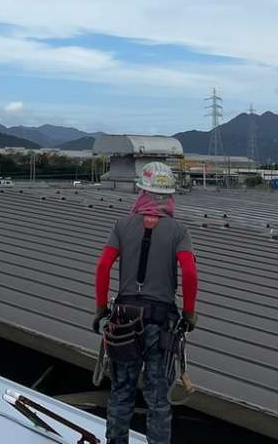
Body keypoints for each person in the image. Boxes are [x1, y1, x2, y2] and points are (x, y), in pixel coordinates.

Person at [92, 161, 199, 444]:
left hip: (124, 323)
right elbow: (189, 272)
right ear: (169, 195)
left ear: (142, 191)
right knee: (158, 398)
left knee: (121, 391)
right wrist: (189, 313)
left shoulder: (122, 225)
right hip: (161, 325)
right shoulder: (179, 231)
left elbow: (103, 266)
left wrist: (101, 307)